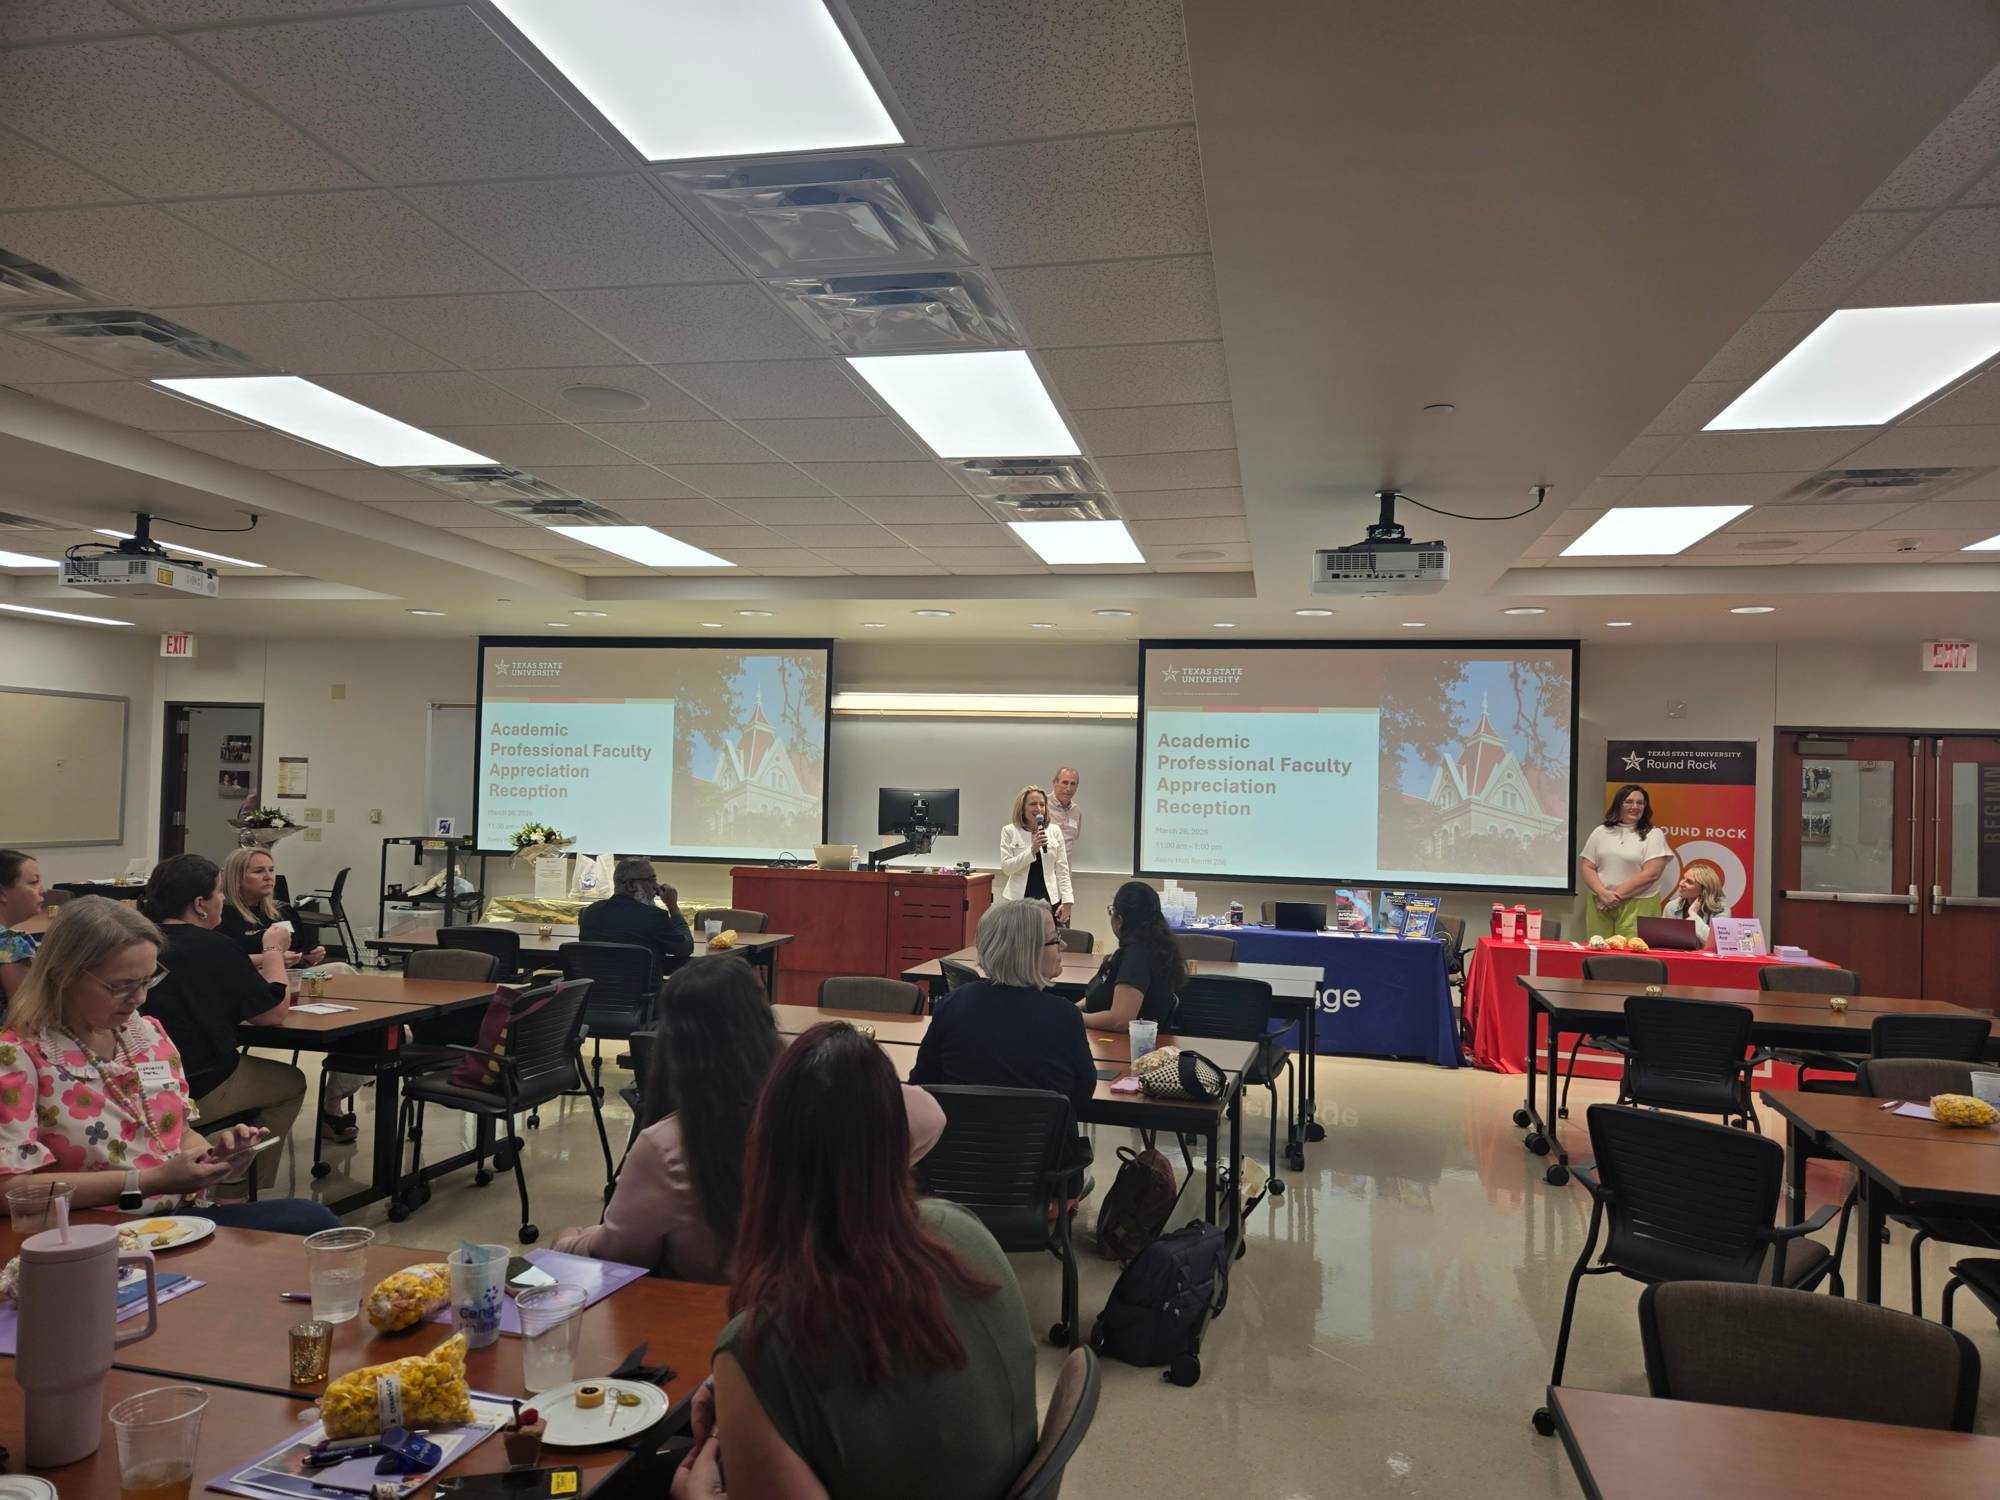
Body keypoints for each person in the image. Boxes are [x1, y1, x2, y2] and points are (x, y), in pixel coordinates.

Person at [676, 1021, 1036, 1500]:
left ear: (765, 1154)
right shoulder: (964, 1231)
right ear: (896, 1139)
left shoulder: (764, 1343)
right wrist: (743, 1399)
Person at [557, 956, 943, 1282]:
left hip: (714, 1322)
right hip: (828, 1305)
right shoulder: (827, 1104)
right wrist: (866, 1167)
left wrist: (572, 1241)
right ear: (765, 1020)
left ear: (672, 1041)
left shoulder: (667, 1144)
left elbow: (623, 1256)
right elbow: (930, 1114)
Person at [0, 897, 337, 1233]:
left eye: (148, 981)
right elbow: (9, 1191)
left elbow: (180, 1134)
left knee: (312, 1220)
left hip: (174, 1219)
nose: (139, 998)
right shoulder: (20, 1057)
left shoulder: (145, 1036)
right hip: (92, 1232)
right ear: (63, 975)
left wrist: (214, 1160)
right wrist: (147, 1181)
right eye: (121, 986)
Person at [138, 854, 308, 1190]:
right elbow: (271, 1013)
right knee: (291, 1082)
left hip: (141, 1080)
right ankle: (241, 1187)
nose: (223, 901)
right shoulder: (214, 946)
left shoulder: (138, 941)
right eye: (219, 893)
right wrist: (273, 950)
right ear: (200, 904)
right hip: (199, 1081)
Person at [911, 900, 1096, 1129]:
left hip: (960, 1157)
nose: (1064, 945)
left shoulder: (953, 1005)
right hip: (1043, 1160)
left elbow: (922, 1081)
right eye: (1055, 939)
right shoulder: (1065, 1016)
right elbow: (1082, 1094)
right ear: (1028, 951)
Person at [1080, 880, 1185, 1032]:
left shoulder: (1137, 957)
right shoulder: (1152, 945)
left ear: (1120, 920)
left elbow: (1120, 1021)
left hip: (1121, 1045)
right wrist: (1073, 1008)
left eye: (1112, 911)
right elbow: (1102, 995)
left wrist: (1076, 1017)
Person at [1579, 784, 1672, 941]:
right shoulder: (1600, 832)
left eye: (1640, 803)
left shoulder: (1654, 834)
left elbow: (1651, 874)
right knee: (1599, 955)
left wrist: (1614, 898)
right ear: (1619, 804)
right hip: (1599, 904)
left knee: (1632, 958)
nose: (1635, 806)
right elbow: (1588, 866)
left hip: (1638, 905)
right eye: (1629, 802)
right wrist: (1602, 894)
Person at [577, 857, 693, 972]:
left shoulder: (589, 913)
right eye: (651, 880)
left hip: (594, 989)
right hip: (644, 990)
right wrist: (673, 906)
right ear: (630, 885)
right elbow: (686, 948)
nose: (656, 886)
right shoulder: (654, 917)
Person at [217, 846, 326, 967]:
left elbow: (297, 951)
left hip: (289, 976)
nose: (268, 877)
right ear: (236, 877)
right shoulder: (221, 914)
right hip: (246, 980)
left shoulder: (283, 910)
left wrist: (307, 957)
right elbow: (221, 961)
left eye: (271, 870)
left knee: (342, 969)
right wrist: (272, 958)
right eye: (258, 871)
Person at [996, 785, 1072, 925]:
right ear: (1022, 808)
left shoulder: (1054, 831)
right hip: (1018, 901)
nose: (1039, 808)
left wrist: (1067, 900)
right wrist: (1032, 851)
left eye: (1042, 804)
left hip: (1049, 900)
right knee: (1020, 944)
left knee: (1049, 943)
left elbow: (1062, 870)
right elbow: (1007, 868)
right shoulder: (1009, 831)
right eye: (1033, 804)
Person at [0, 849, 44, 1002]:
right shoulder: (9, 945)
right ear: (2, 893)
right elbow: (28, 1012)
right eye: (33, 882)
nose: (43, 890)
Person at [1661, 864, 1732, 947]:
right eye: (1683, 878)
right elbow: (1665, 941)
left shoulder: (1721, 909)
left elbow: (1718, 943)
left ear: (1704, 890)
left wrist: (1693, 915)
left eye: (1689, 882)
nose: (1681, 884)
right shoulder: (1672, 907)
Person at [1048, 766, 1082, 859]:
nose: (1068, 788)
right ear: (1054, 783)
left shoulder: (1076, 812)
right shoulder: (1041, 806)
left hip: (1065, 871)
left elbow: (1072, 840)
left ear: (1076, 787)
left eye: (1073, 784)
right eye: (1065, 782)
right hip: (1043, 871)